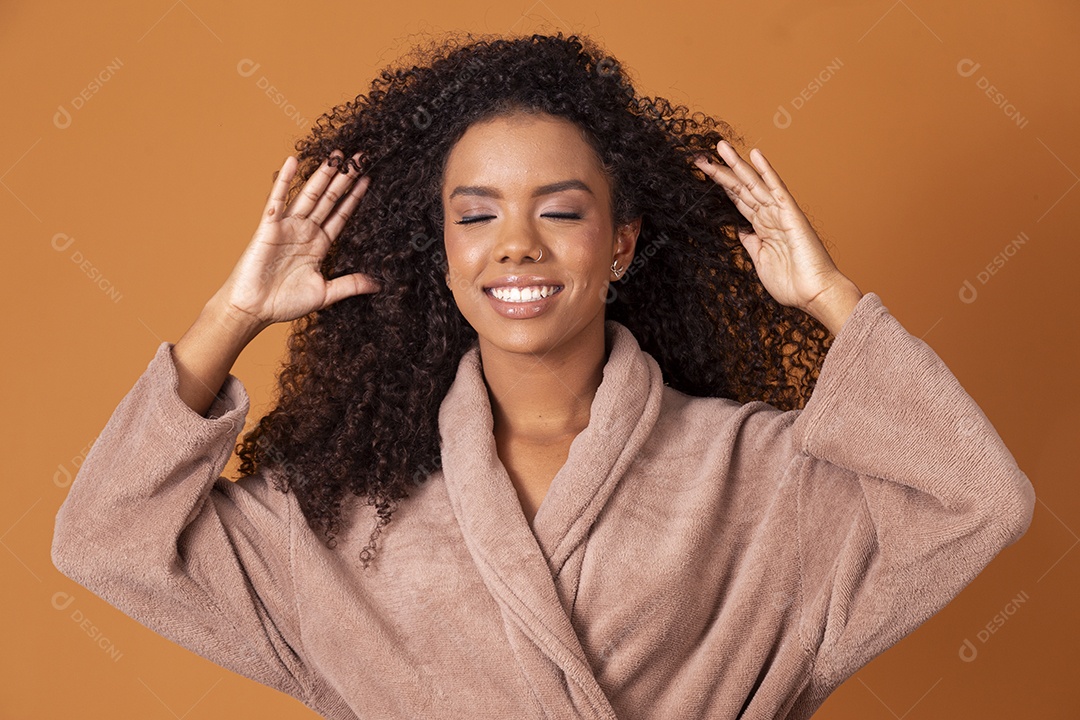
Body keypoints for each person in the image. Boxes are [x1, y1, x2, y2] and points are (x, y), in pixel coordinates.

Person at [51, 31, 1035, 720]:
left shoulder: (756, 477)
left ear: (621, 244)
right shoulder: (345, 506)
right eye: (476, 215)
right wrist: (232, 315)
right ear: (441, 251)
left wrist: (828, 296)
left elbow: (976, 500)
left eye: (560, 211)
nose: (515, 245)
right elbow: (106, 538)